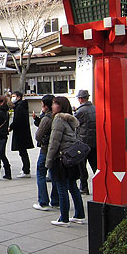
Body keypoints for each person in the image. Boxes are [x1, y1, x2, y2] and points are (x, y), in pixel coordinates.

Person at [46, 96, 85, 227]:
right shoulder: (70, 119)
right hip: (71, 157)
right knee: (73, 187)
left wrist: (49, 160)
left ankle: (64, 218)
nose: (52, 106)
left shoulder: (58, 120)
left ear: (60, 106)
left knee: (61, 187)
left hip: (61, 158)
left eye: (54, 104)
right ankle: (79, 214)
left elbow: (54, 142)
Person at [32, 94, 58, 210]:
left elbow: (38, 136)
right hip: (56, 150)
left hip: (46, 149)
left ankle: (43, 201)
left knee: (41, 173)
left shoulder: (47, 118)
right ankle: (56, 200)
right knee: (54, 174)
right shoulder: (58, 117)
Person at [74, 89, 97, 195]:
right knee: (95, 165)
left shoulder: (80, 111)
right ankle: (99, 184)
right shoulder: (95, 108)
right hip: (94, 141)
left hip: (83, 141)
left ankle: (84, 186)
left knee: (82, 166)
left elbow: (75, 124)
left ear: (80, 99)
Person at [9, 91, 34, 178]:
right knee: (23, 152)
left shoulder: (19, 107)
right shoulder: (21, 106)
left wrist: (10, 127)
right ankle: (25, 169)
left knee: (22, 152)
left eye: (14, 96)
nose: (12, 98)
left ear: (18, 97)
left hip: (21, 132)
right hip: (23, 131)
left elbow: (17, 121)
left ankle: (26, 170)